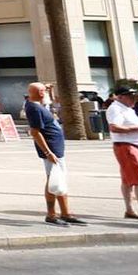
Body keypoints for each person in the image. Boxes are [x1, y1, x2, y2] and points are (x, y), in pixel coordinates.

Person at [24, 82, 84, 226]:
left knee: (59, 179)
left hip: (55, 147)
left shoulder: (38, 105)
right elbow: (35, 132)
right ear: (38, 92)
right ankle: (52, 214)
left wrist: (49, 89)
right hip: (51, 149)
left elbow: (48, 103)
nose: (44, 93)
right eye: (43, 91)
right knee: (53, 180)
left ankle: (65, 212)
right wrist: (48, 152)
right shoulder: (33, 108)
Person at [105, 83, 138, 222]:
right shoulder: (116, 109)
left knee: (127, 180)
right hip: (127, 147)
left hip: (129, 146)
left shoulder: (126, 108)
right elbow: (115, 128)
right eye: (131, 97)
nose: (134, 100)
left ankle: (130, 209)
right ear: (121, 97)